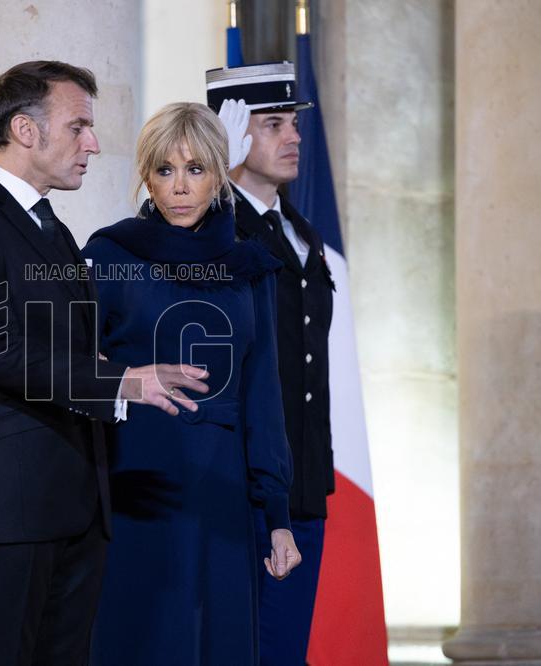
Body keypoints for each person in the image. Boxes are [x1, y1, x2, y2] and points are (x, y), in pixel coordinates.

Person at [0, 61, 210, 666]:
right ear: (25, 131)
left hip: (76, 503)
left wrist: (116, 368)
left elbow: (66, 348)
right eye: (78, 126)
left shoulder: (52, 228)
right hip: (10, 509)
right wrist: (122, 381)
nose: (93, 144)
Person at [83, 101, 300, 666]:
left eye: (196, 169)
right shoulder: (109, 255)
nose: (179, 187)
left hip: (224, 494)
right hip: (135, 486)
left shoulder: (252, 267)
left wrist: (276, 517)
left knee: (219, 643)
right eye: (165, 170)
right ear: (146, 176)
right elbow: (70, 371)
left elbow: (263, 396)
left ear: (220, 173)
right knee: (141, 642)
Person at [207, 61, 336, 665]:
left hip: (301, 475)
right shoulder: (214, 228)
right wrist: (212, 174)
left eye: (295, 124)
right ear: (233, 132)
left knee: (286, 650)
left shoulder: (301, 231)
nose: (294, 137)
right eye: (273, 124)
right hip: (240, 481)